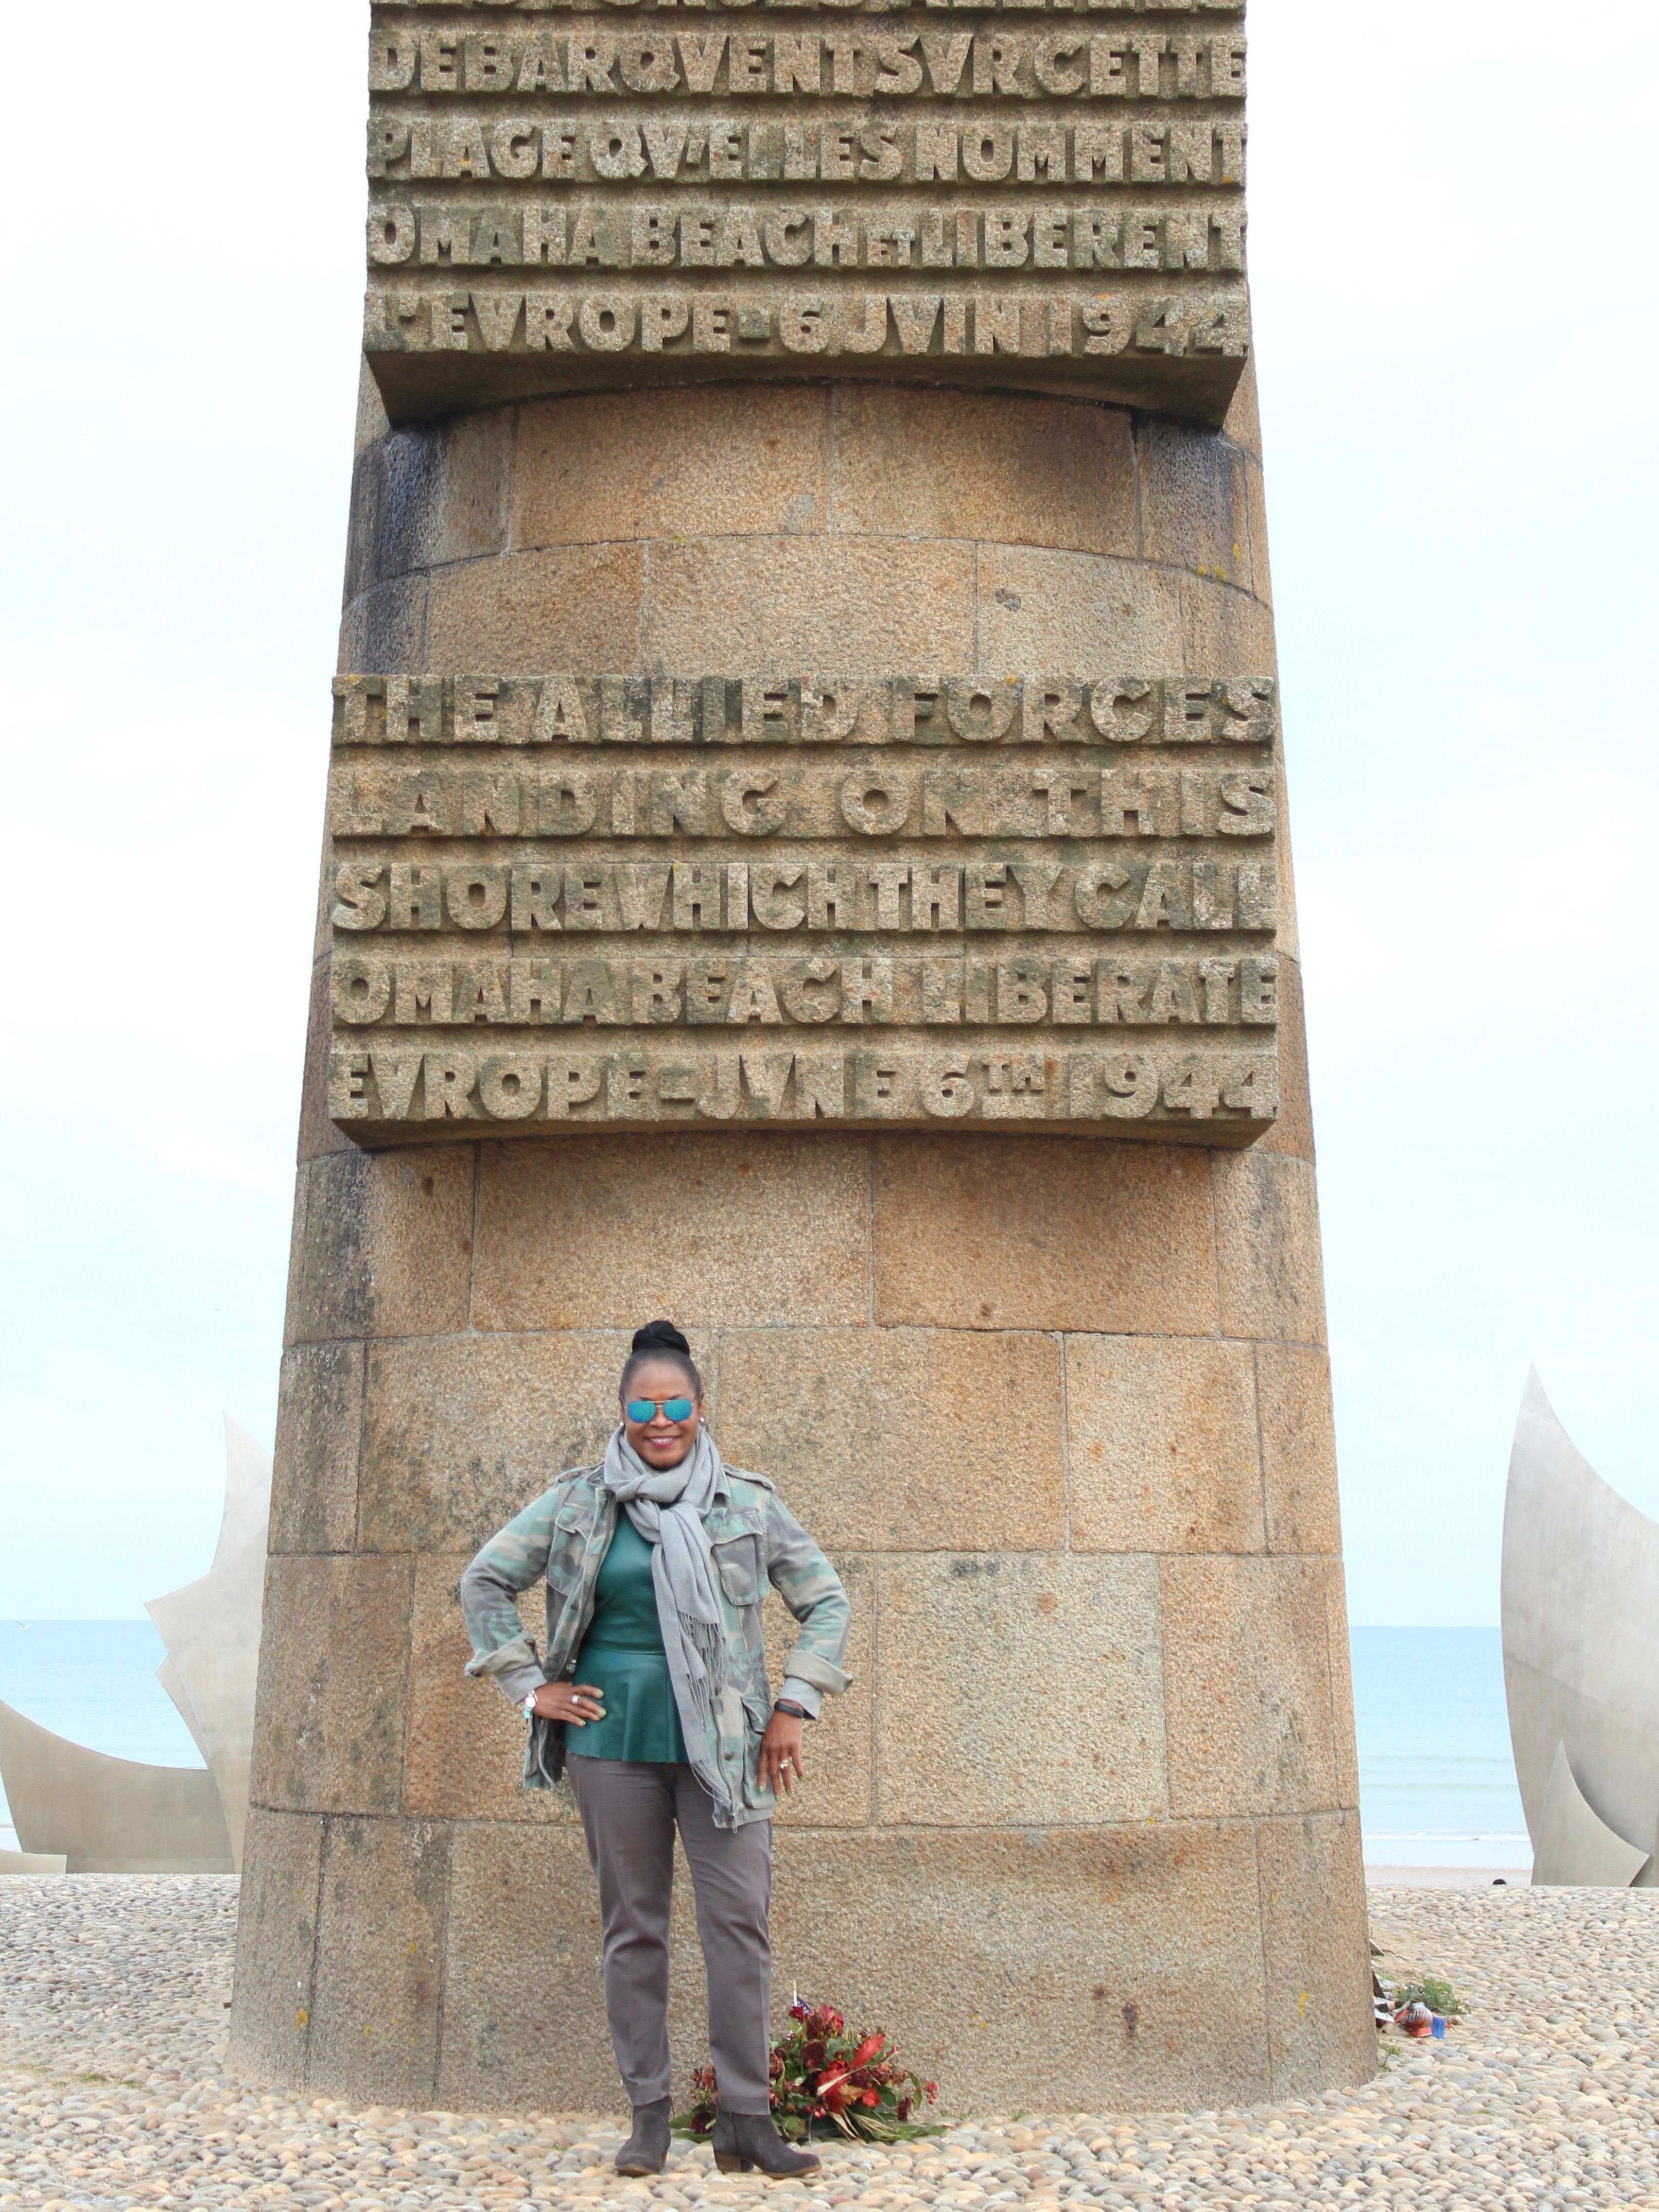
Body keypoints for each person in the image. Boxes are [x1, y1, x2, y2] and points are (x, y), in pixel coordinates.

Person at [459, 1320, 852, 2179]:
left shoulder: (746, 1502)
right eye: (645, 1403)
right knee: (633, 1930)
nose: (661, 1417)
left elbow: (826, 1599)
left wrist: (794, 1702)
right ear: (624, 1409)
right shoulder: (578, 1501)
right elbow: (484, 1579)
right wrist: (532, 1689)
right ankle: (647, 2118)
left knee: (738, 1928)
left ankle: (747, 2120)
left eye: (677, 1402)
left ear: (701, 1407)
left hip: (726, 1748)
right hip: (613, 1744)